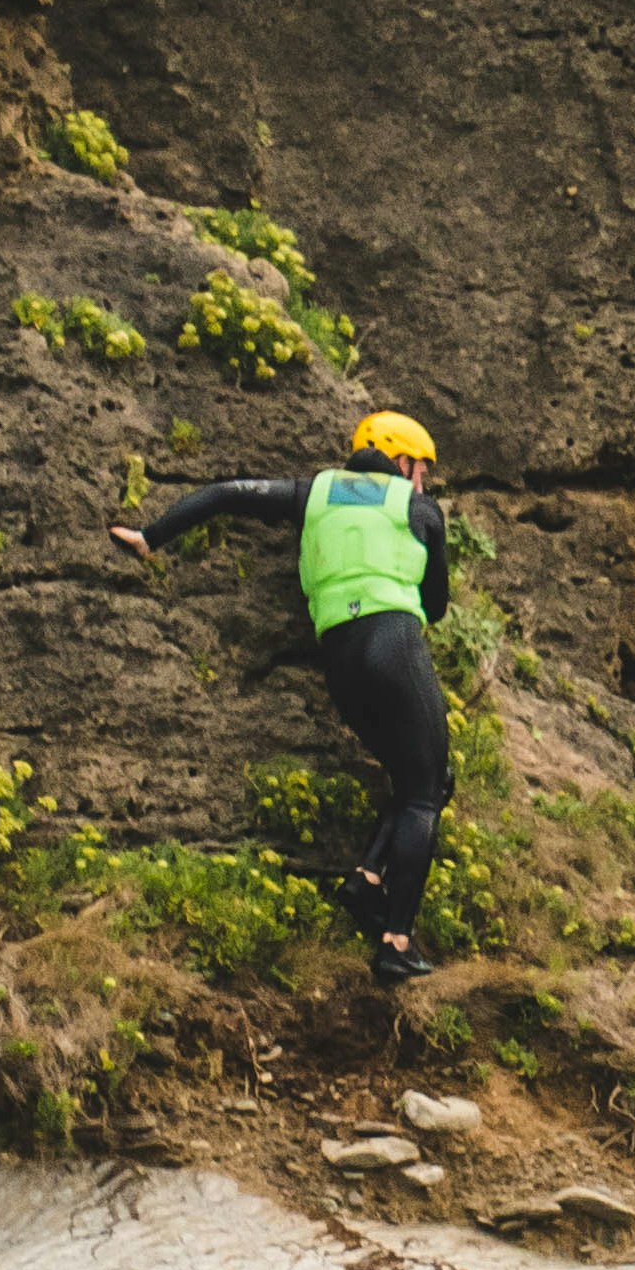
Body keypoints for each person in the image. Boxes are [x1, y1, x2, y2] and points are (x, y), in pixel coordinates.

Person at [113, 410, 457, 981]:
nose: (424, 482)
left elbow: (227, 494)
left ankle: (368, 880)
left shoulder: (314, 492)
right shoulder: (416, 508)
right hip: (395, 642)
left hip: (340, 661)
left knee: (415, 777)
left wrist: (151, 536)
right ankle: (396, 943)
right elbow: (438, 604)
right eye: (421, 469)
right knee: (426, 792)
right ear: (401, 462)